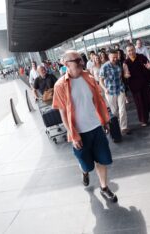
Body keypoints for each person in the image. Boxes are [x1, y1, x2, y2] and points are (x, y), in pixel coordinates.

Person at [52, 50, 118, 203]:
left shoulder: (88, 77)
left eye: (81, 59)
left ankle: (104, 187)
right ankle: (85, 172)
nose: (82, 62)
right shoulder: (60, 85)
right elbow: (63, 113)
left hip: (96, 127)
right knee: (87, 165)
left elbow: (98, 101)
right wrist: (72, 134)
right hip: (79, 133)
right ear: (66, 64)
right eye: (77, 60)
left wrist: (104, 120)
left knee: (102, 160)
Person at [99, 49, 130, 135]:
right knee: (114, 111)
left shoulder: (119, 64)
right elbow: (100, 80)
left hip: (120, 89)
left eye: (116, 57)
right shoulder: (104, 67)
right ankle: (116, 127)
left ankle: (124, 127)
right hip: (110, 91)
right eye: (113, 57)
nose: (115, 59)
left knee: (122, 109)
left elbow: (122, 75)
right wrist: (105, 89)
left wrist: (126, 74)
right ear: (109, 57)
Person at [123, 44, 150, 127]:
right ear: (127, 52)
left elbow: (148, 66)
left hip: (144, 83)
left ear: (135, 50)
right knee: (140, 103)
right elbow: (124, 75)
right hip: (134, 86)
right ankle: (143, 120)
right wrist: (125, 76)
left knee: (149, 100)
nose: (131, 52)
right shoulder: (126, 62)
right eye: (129, 51)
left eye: (132, 50)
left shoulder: (141, 57)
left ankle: (145, 115)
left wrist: (149, 68)